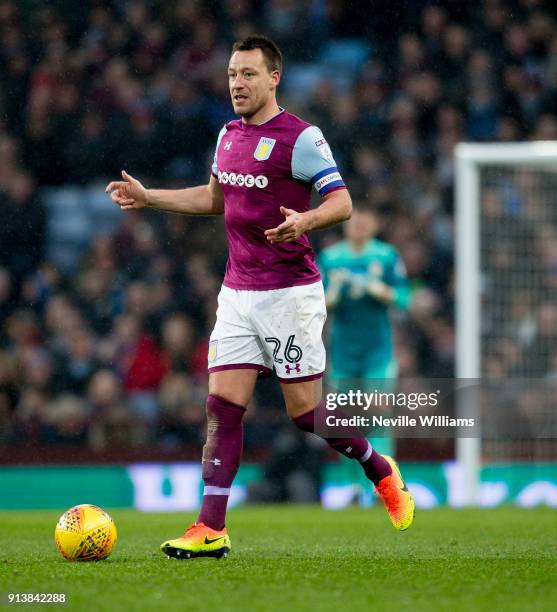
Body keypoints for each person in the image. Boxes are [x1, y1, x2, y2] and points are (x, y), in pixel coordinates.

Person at [106, 35, 414, 560]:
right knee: (222, 408)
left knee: (305, 414)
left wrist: (306, 221)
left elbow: (342, 202)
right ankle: (211, 527)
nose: (236, 84)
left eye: (248, 74)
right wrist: (149, 196)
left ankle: (377, 467)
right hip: (238, 292)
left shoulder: (302, 138)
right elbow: (212, 198)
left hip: (290, 295)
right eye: (231, 74)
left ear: (274, 78)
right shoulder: (227, 135)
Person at [319, 207, 411, 476]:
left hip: (377, 352)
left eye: (363, 219)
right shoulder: (331, 258)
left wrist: (381, 291)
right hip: (344, 352)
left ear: (374, 223)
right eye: (352, 220)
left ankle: (385, 481)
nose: (357, 224)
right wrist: (332, 295)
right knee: (345, 421)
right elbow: (316, 304)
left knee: (379, 412)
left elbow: (405, 299)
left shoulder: (386, 255)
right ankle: (353, 486)